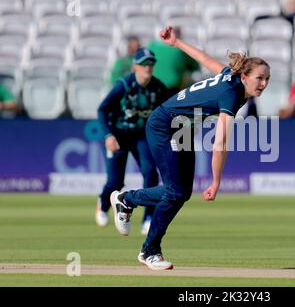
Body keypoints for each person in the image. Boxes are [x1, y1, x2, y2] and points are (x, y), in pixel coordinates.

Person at [109, 25, 271, 270]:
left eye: (267, 79)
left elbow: (204, 59)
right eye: (260, 78)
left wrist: (177, 43)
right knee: (175, 192)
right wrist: (216, 182)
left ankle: (127, 200)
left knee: (181, 192)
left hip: (182, 128)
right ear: (245, 77)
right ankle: (149, 250)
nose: (264, 83)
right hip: (164, 125)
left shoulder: (230, 76)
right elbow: (220, 144)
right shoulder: (231, 94)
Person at [97, 47, 170, 235]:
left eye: (151, 63)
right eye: (144, 63)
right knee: (115, 182)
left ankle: (148, 217)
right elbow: (102, 109)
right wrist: (108, 135)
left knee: (150, 174)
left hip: (141, 136)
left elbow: (168, 112)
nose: (148, 67)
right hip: (118, 135)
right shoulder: (124, 85)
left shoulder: (158, 88)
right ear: (135, 66)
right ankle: (103, 203)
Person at [147, 27, 200, 96]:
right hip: (172, 88)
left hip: (152, 86)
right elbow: (194, 66)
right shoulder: (180, 49)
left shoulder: (152, 46)